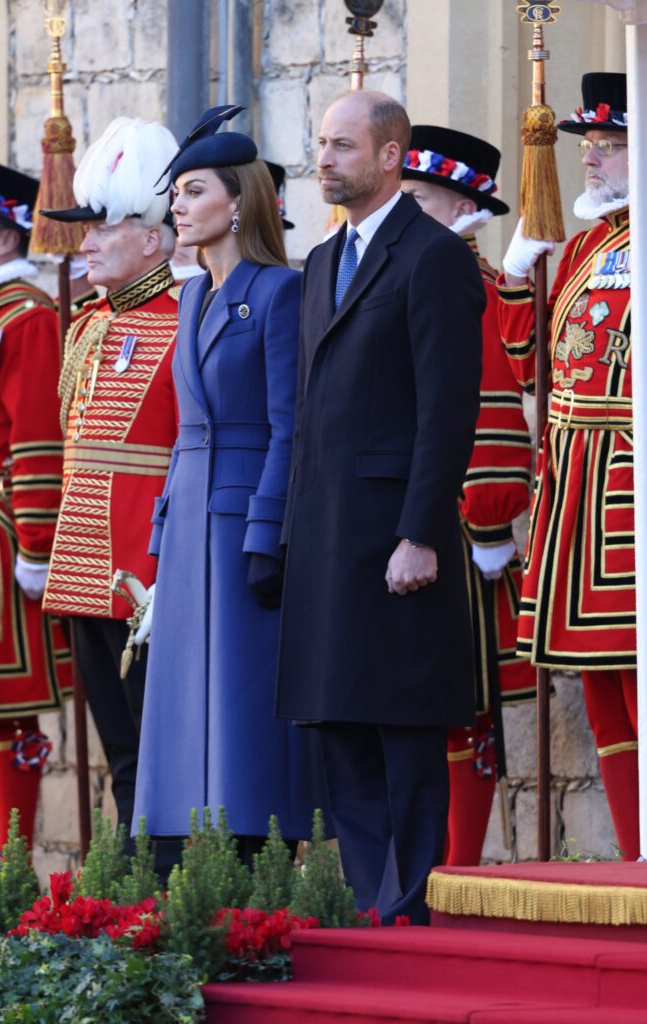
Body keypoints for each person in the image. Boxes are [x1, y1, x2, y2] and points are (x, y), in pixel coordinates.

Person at [276, 91, 485, 922]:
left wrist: (419, 532)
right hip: (326, 533)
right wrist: (293, 532)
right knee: (335, 724)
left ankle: (411, 899)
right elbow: (308, 407)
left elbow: (446, 408)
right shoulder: (323, 262)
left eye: (341, 146)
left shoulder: (431, 256)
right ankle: (372, 902)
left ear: (391, 155)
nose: (322, 160)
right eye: (320, 145)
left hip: (393, 533)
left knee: (399, 722)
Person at [132, 105, 328, 863]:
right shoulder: (189, 297)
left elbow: (289, 425)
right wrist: (160, 531)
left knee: (241, 704)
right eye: (175, 194)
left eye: (192, 190)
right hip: (189, 520)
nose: (177, 206)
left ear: (238, 201)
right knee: (181, 702)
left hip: (243, 517)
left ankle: (254, 851)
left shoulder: (278, 292)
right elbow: (186, 428)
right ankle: (181, 853)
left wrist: (266, 532)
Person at [498, 73, 638, 857]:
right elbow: (527, 363)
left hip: (627, 483)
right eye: (589, 146)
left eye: (611, 147)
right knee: (598, 685)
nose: (591, 161)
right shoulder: (587, 243)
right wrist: (517, 278)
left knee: (635, 672)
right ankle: (631, 852)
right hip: (574, 481)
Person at [41, 117, 181, 873]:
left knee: (159, 749)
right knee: (119, 753)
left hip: (145, 574)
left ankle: (160, 886)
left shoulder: (187, 320)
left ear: (153, 239)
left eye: (103, 227)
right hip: (82, 567)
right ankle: (125, 885)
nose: (85, 242)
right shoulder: (88, 326)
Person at [401, 126, 535, 866]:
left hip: (450, 527)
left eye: (416, 199)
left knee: (459, 703)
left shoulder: (468, 283)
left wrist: (486, 525)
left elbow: (486, 409)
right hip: (389, 518)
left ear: (459, 204)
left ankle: (454, 863)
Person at [0, 152, 70, 898]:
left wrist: (37, 543)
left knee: (4, 708)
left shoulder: (26, 316)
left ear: (4, 238)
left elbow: (37, 437)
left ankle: (10, 858)